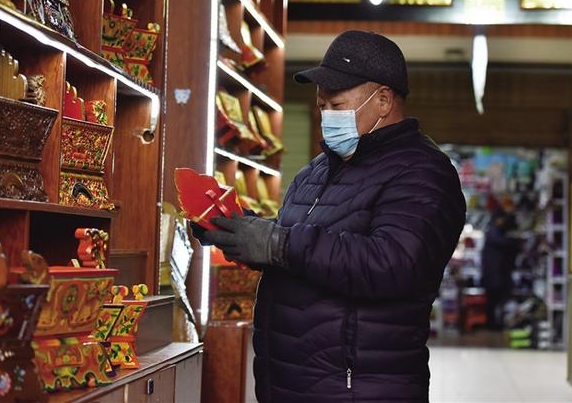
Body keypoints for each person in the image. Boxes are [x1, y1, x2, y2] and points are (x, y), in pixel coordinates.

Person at [199, 30, 466, 403]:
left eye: (337, 105)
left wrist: (278, 243)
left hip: (358, 388)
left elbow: (393, 263)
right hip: (294, 384)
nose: (326, 115)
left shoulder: (422, 172)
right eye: (321, 105)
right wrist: (242, 232)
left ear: (383, 100)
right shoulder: (317, 171)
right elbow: (300, 248)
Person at [481, 200, 519, 330]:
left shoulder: (495, 229)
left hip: (494, 272)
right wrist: (514, 241)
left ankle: (494, 323)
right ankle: (492, 324)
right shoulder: (494, 230)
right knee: (493, 299)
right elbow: (500, 242)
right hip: (494, 273)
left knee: (495, 299)